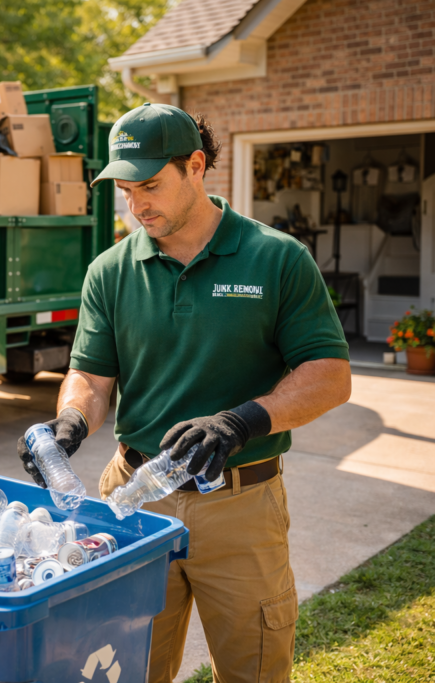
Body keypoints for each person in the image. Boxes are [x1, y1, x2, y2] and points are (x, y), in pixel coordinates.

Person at [17, 103, 351, 682]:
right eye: (126, 190)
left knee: (255, 669)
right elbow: (92, 377)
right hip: (132, 501)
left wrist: (241, 422)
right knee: (127, 666)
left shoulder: (276, 259)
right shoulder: (110, 271)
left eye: (150, 185)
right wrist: (71, 420)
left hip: (240, 506)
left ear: (196, 166)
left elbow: (330, 375)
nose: (137, 204)